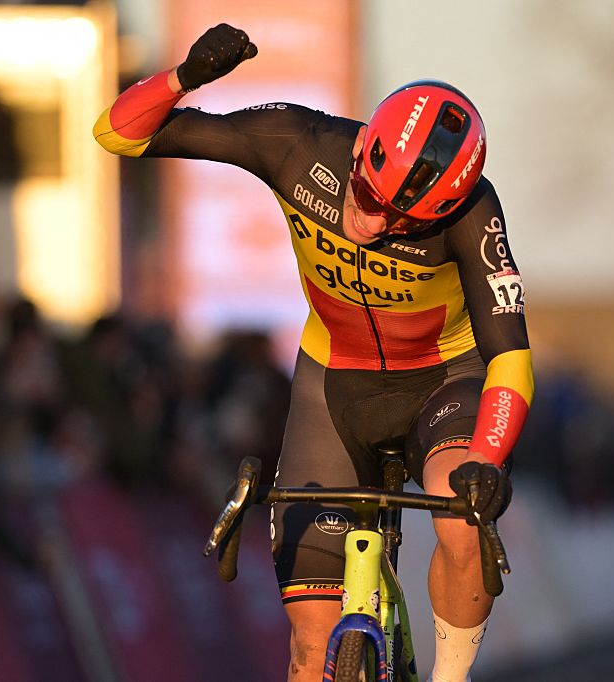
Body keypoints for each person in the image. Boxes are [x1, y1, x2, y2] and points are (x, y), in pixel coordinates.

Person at [93, 24, 533, 682]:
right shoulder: (297, 143)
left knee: (460, 513)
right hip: (334, 387)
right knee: (310, 635)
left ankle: (451, 676)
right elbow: (116, 134)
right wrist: (184, 77)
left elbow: (511, 357)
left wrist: (488, 460)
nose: (371, 223)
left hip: (444, 385)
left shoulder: (474, 211)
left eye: (398, 222)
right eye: (368, 195)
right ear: (361, 151)